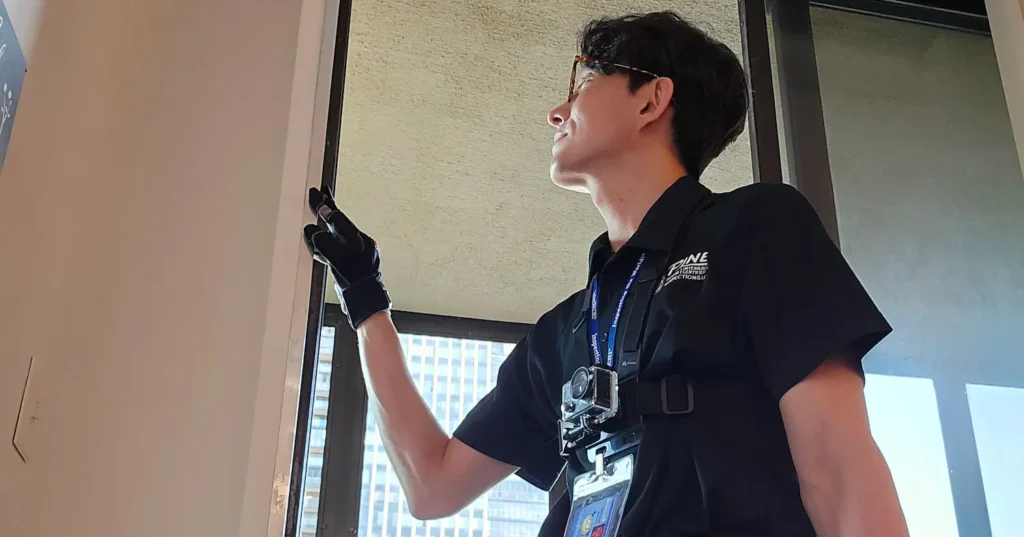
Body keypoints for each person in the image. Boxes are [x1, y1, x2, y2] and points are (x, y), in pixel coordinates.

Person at [303, 11, 910, 537]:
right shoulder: (562, 334)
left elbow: (839, 471)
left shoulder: (755, 227)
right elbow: (432, 485)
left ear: (651, 100)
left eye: (586, 80)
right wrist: (365, 299)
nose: (556, 111)